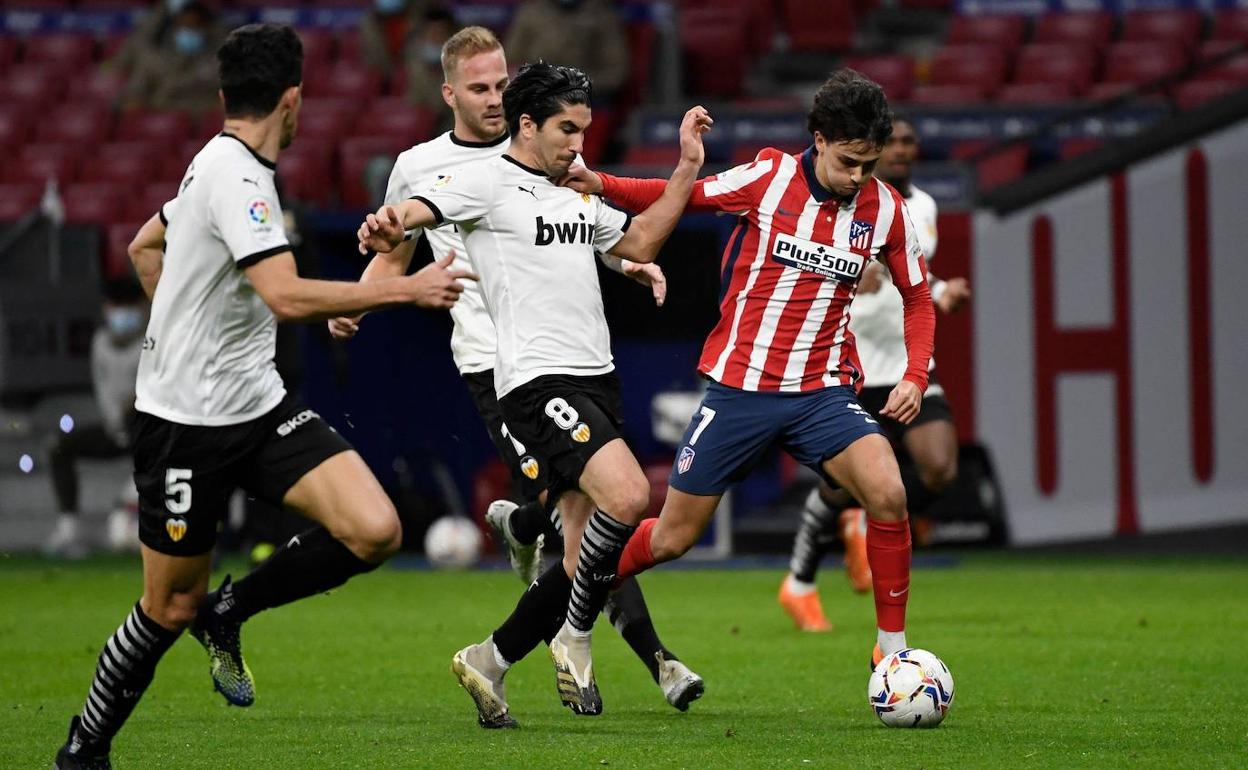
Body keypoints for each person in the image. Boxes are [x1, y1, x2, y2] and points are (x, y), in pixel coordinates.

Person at [54, 24, 473, 769]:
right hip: (185, 427)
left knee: (374, 529)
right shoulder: (238, 178)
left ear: (222, 98)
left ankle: (231, 609)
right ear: (294, 101)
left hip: (259, 406)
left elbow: (142, 248)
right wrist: (404, 288)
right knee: (164, 606)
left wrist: (188, 326)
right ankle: (83, 749)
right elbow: (280, 294)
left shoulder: (217, 163)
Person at [330, 27, 704, 716]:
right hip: (535, 382)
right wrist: (388, 227)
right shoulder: (483, 181)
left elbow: (642, 239)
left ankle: (492, 659)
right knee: (626, 498)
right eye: (566, 129)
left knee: (575, 548)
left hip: (597, 377)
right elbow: (416, 211)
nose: (578, 144)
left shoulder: (574, 190)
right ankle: (577, 633)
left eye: (585, 131)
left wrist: (685, 170)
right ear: (528, 124)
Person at [562, 69, 935, 668]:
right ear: (818, 139)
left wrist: (916, 374)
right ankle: (579, 578)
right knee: (671, 538)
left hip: (823, 393)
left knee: (889, 492)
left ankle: (892, 654)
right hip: (741, 390)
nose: (858, 176)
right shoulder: (769, 177)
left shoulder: (886, 210)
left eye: (869, 164)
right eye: (848, 162)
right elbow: (678, 196)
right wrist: (597, 182)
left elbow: (918, 297)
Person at [778, 115, 972, 632]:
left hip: (910, 363)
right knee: (842, 485)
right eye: (895, 143)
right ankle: (799, 584)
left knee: (940, 467)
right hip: (853, 361)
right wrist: (846, 267)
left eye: (912, 141)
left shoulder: (923, 206)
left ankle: (861, 517)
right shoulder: (847, 202)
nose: (904, 150)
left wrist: (943, 289)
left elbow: (913, 272)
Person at [43, 278, 146, 560]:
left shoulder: (151, 341)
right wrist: (116, 422)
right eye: (115, 305)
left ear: (141, 307)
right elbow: (103, 388)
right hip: (114, 427)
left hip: (147, 430)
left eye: (127, 306)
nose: (121, 312)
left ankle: (131, 508)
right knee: (60, 446)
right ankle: (68, 528)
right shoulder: (100, 342)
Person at [504, 0, 628, 101]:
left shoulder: (602, 16)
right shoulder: (531, 13)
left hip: (584, 100)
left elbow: (617, 74)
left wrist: (574, 82)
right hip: (535, 96)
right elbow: (510, 62)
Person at [120, 0, 222, 115]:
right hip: (161, 120)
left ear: (206, 29)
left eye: (195, 27)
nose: (189, 31)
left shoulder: (219, 63)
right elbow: (133, 95)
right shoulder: (153, 61)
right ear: (175, 28)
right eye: (185, 26)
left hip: (203, 120)